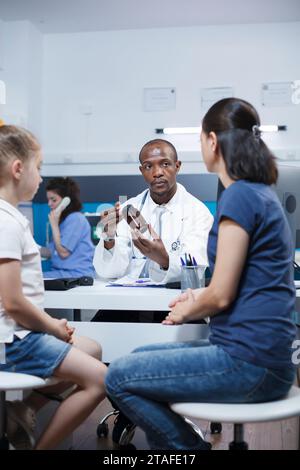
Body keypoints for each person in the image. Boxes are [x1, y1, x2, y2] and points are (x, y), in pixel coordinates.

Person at [105, 98, 297, 450]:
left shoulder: (239, 197)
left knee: (117, 375)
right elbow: (235, 283)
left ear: (211, 141)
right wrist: (196, 296)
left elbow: (221, 294)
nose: (158, 171)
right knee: (135, 358)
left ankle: (188, 451)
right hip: (257, 355)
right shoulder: (254, 193)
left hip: (249, 363)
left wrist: (189, 307)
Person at [0, 125, 107, 450]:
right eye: (39, 168)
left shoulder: (12, 218)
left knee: (93, 349)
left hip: (19, 334)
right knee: (101, 379)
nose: (40, 177)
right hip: (14, 342)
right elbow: (14, 303)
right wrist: (52, 327)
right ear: (19, 169)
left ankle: (24, 408)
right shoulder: (6, 221)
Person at [93, 139, 213, 321]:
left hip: (176, 302)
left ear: (177, 166)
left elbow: (196, 270)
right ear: (142, 171)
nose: (157, 173)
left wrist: (165, 260)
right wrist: (109, 237)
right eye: (148, 166)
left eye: (165, 164)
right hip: (129, 303)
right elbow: (110, 272)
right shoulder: (129, 208)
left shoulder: (198, 212)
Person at [41, 177, 95, 279]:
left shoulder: (76, 219)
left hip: (76, 275)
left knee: (32, 280)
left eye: (53, 200)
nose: (49, 204)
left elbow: (63, 253)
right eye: (48, 200)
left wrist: (54, 226)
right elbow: (50, 251)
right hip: (62, 274)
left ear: (66, 201)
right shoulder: (62, 222)